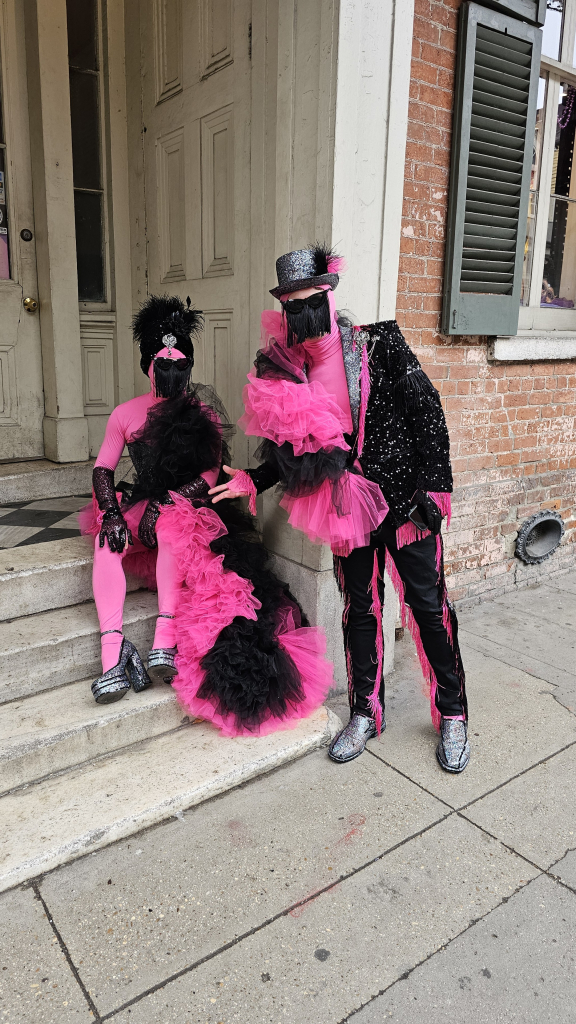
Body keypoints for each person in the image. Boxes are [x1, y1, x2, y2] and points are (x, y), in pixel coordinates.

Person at [209, 247, 469, 771]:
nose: (303, 315)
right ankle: (365, 711)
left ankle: (454, 713)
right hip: (347, 508)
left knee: (428, 605)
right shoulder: (289, 372)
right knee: (360, 609)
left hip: (404, 502)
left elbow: (428, 413)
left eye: (312, 302)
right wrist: (253, 480)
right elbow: (294, 453)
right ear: (284, 308)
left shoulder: (379, 346)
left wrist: (433, 492)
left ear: (329, 296)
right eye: (292, 305)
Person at [80, 294, 333, 738]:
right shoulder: (125, 414)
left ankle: (163, 638)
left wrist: (168, 503)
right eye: (163, 362)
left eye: (181, 364)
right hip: (140, 504)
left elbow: (209, 473)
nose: (173, 372)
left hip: (187, 507)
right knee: (106, 539)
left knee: (176, 526)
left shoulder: (203, 417)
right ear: (147, 365)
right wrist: (113, 514)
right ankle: (113, 653)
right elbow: (103, 467)